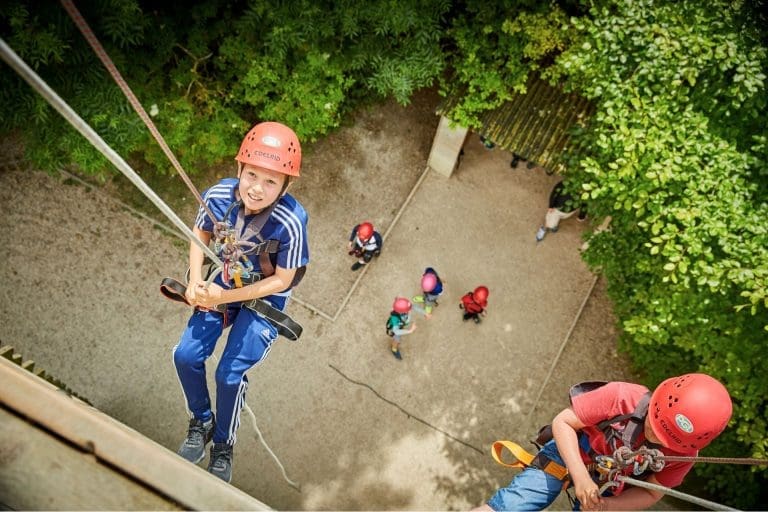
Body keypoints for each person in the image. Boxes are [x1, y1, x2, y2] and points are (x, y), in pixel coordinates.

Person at [172, 122, 309, 483]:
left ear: (285, 186)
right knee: (185, 354)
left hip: (266, 295)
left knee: (228, 374)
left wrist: (225, 296)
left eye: (271, 181)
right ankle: (201, 420)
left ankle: (222, 443)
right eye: (252, 175)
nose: (257, 189)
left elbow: (283, 279)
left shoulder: (291, 221)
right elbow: (200, 232)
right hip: (227, 279)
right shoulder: (219, 195)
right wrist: (196, 278)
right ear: (239, 170)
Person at [475, 373, 733, 511]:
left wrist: (610, 506)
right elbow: (563, 423)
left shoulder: (683, 456)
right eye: (653, 423)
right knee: (511, 505)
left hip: (612, 487)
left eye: (666, 440)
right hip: (572, 452)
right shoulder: (622, 397)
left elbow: (652, 491)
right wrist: (581, 477)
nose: (654, 437)